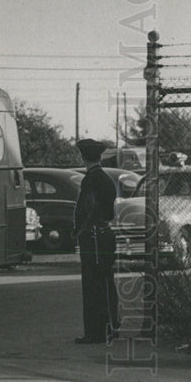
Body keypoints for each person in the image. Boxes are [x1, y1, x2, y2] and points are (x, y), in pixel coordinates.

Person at [72, 138, 119, 344]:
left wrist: (80, 230)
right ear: (99, 156)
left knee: (92, 285)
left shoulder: (90, 180)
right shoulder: (107, 179)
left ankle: (95, 332)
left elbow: (88, 208)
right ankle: (111, 326)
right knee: (106, 281)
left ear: (83, 157)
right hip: (105, 233)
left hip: (93, 236)